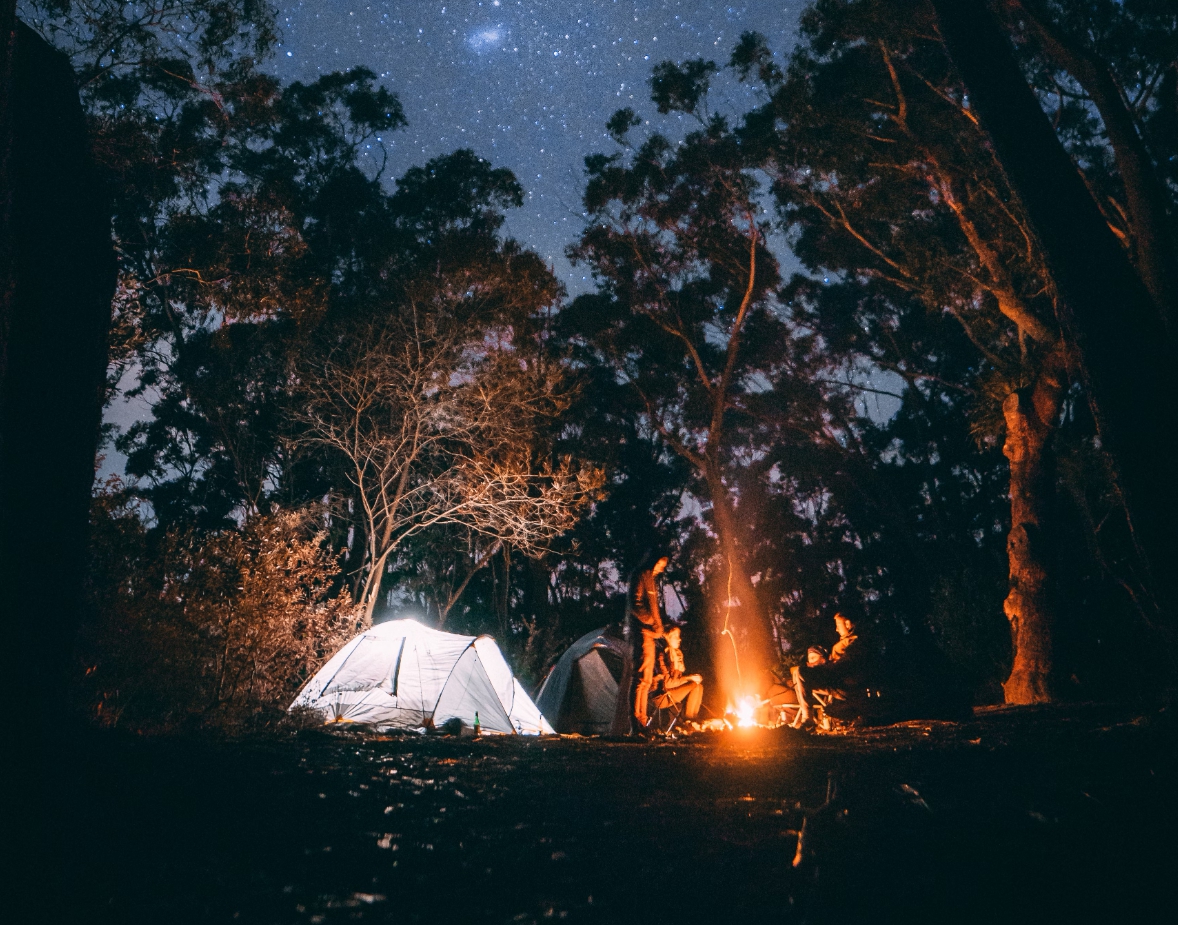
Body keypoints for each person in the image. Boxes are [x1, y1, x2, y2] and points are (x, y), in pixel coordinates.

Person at [791, 613, 863, 727]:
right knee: (797, 673)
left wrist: (825, 666)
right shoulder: (843, 643)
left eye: (839, 625)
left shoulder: (855, 642)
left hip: (844, 684)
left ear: (848, 624)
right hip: (835, 681)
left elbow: (846, 663)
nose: (836, 629)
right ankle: (807, 716)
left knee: (801, 672)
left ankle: (808, 718)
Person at [626, 548, 669, 730]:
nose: (662, 568)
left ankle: (642, 723)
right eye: (660, 564)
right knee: (642, 679)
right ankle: (637, 724)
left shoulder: (650, 579)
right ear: (653, 561)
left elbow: (652, 607)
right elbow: (635, 605)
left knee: (647, 679)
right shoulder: (641, 575)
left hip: (650, 634)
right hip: (643, 633)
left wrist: (659, 627)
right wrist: (652, 622)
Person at [652, 625, 704, 720]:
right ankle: (688, 720)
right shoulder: (662, 656)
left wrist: (693, 678)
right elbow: (668, 684)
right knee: (693, 684)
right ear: (668, 638)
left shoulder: (677, 654)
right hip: (662, 696)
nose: (679, 639)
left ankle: (693, 719)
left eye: (679, 636)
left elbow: (677, 681)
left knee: (698, 686)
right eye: (676, 637)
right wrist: (689, 678)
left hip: (672, 693)